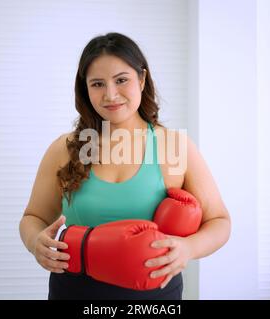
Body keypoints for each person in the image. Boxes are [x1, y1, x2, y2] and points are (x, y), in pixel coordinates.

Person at [19, 32, 231, 300]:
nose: (110, 94)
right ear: (85, 89)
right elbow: (33, 218)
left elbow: (220, 222)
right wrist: (35, 242)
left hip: (155, 296)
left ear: (142, 79)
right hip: (74, 291)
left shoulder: (175, 146)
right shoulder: (65, 148)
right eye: (97, 84)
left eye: (121, 80)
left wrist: (188, 248)